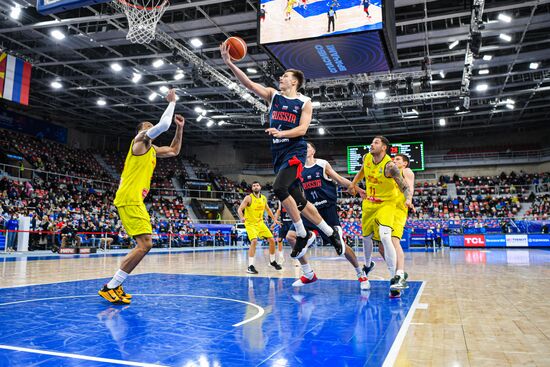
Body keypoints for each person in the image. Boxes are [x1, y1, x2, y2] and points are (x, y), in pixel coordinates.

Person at [220, 42, 345, 262]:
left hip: (294, 149)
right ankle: (329, 232)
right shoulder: (273, 96)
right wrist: (230, 63)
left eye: (285, 76)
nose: (281, 78)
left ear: (294, 81)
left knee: (279, 187)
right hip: (278, 154)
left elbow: (303, 129)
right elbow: (248, 84)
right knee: (299, 201)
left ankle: (304, 234)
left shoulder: (304, 102)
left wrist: (281, 133)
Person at [98, 89, 185, 304]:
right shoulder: (138, 143)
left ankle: (114, 285)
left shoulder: (153, 150)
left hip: (134, 199)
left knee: (144, 244)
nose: (151, 129)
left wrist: (180, 129)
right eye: (147, 127)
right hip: (129, 198)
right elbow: (163, 125)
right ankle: (111, 286)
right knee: (145, 245)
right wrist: (171, 102)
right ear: (140, 132)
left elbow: (174, 150)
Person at [287, 142, 370, 290]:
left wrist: (357, 189)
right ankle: (308, 273)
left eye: (307, 147)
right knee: (291, 237)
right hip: (309, 210)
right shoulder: (298, 170)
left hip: (326, 209)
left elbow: (339, 179)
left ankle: (361, 274)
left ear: (313, 150)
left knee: (341, 246)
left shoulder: (322, 164)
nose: (304, 149)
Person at [349, 136, 413, 298]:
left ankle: (395, 277)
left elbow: (405, 186)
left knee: (386, 237)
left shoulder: (391, 166)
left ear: (384, 147)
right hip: (370, 203)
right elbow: (363, 170)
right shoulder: (367, 157)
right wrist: (353, 184)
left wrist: (408, 198)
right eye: (372, 142)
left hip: (387, 204)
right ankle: (369, 264)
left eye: (376, 142)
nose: (371, 144)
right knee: (367, 238)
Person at [373, 154, 415, 294]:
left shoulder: (406, 171)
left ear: (405, 163)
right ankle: (397, 270)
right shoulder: (389, 173)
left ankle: (400, 275)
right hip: (386, 207)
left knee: (393, 241)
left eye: (398, 159)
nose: (394, 161)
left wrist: (409, 200)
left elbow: (409, 187)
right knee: (381, 247)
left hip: (399, 208)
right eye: (393, 159)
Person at [237, 181, 281, 274]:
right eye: (254, 186)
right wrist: (242, 217)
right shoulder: (248, 198)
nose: (256, 187)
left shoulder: (264, 198)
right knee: (254, 241)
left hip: (260, 223)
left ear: (260, 187)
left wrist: (274, 219)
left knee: (272, 240)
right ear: (252, 188)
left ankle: (272, 261)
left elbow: (268, 209)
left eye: (257, 185)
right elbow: (240, 209)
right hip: (250, 223)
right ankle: (250, 266)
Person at [273, 200, 292, 265]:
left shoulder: (293, 199)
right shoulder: (280, 201)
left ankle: (297, 259)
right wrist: (275, 221)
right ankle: (281, 257)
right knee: (279, 240)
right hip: (283, 222)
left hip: (292, 222)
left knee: (294, 239)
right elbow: (278, 211)